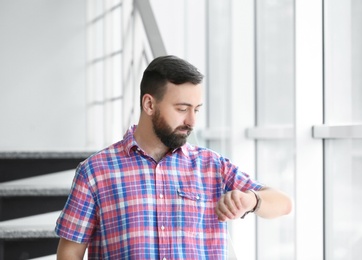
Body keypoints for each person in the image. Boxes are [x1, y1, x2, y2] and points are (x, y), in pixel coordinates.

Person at [55, 55, 292, 259]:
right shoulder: (95, 171)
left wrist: (251, 200)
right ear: (149, 104)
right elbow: (70, 252)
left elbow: (283, 204)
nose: (192, 122)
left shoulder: (213, 166)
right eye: (182, 109)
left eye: (196, 109)